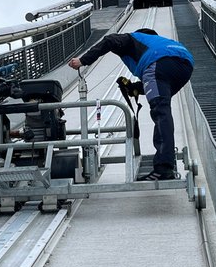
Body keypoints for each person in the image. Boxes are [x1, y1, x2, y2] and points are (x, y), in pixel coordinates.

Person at [68, 28, 194, 181]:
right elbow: (158, 80)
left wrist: (83, 60)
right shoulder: (162, 42)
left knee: (160, 111)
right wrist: (134, 88)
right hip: (185, 66)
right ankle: (166, 162)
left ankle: (164, 168)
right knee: (162, 106)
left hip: (157, 62)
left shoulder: (133, 38)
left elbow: (109, 40)